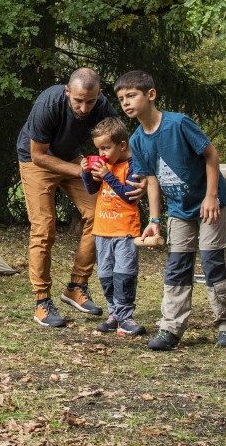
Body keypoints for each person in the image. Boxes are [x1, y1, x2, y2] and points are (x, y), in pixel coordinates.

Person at [115, 70, 226, 350]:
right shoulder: (137, 140)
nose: (126, 102)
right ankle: (170, 328)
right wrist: (154, 220)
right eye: (122, 98)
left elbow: (211, 155)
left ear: (150, 95)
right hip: (179, 210)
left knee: (212, 262)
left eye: (131, 95)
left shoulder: (178, 123)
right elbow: (152, 180)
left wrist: (210, 197)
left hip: (211, 204)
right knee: (177, 266)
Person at [17, 68, 120, 327]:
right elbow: (39, 155)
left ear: (100, 95)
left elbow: (118, 142)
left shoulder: (103, 106)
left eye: (90, 101)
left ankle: (76, 286)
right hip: (36, 160)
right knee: (44, 228)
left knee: (100, 215)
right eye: (78, 101)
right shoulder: (48, 104)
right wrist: (79, 170)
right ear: (67, 92)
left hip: (70, 156)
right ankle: (42, 302)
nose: (84, 108)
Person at [80, 117, 157, 337]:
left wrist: (108, 175)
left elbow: (129, 197)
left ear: (122, 145)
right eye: (98, 149)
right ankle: (113, 313)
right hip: (102, 230)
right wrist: (87, 173)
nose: (101, 153)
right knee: (105, 274)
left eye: (106, 147)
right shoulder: (107, 166)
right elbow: (93, 190)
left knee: (124, 273)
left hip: (124, 230)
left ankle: (125, 316)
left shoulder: (133, 166)